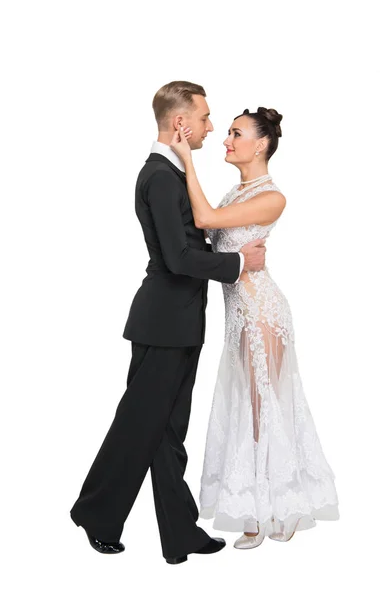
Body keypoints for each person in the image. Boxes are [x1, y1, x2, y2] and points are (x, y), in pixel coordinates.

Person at [70, 81, 267, 565]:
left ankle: (180, 534)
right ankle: (95, 513)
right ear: (181, 123)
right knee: (138, 426)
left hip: (179, 321)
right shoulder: (159, 176)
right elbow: (179, 258)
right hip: (162, 321)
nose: (210, 126)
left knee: (166, 431)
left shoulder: (175, 172)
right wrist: (239, 265)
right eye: (204, 117)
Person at [170, 107, 339, 549]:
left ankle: (267, 513)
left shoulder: (272, 197)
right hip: (236, 314)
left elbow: (204, 220)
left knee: (263, 407)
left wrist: (187, 158)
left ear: (261, 144)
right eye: (225, 132)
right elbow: (205, 233)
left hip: (263, 311)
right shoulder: (233, 192)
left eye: (236, 133)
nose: (226, 140)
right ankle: (259, 510)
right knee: (246, 402)